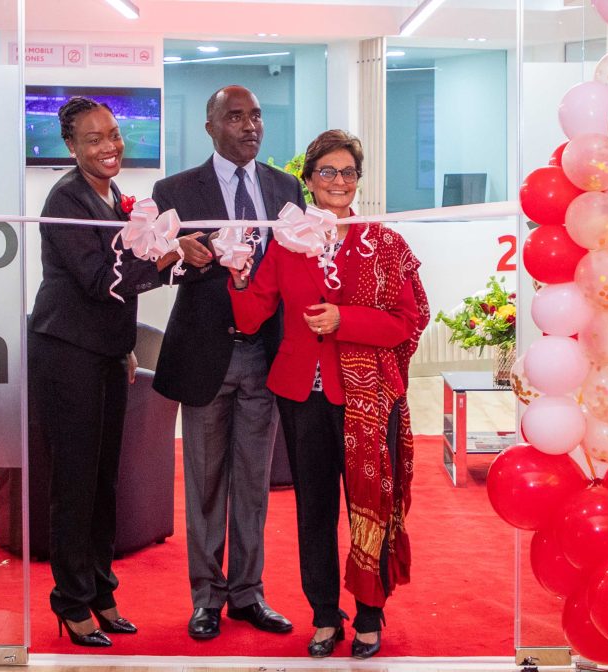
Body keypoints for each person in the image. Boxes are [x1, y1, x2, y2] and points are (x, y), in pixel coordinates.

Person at [226, 130, 430, 659]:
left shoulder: (382, 243)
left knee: (369, 506)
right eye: (327, 173)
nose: (339, 182)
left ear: (357, 181)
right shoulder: (287, 241)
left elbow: (407, 323)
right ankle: (323, 615)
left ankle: (368, 615)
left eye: (348, 173)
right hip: (302, 394)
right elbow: (251, 318)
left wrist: (346, 320)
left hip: (368, 399)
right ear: (309, 180)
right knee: (313, 510)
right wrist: (238, 275)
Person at [28, 96, 187, 647]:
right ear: (71, 147)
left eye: (113, 134)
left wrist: (125, 344)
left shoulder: (116, 196)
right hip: (66, 352)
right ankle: (70, 603)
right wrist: (169, 257)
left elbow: (126, 284)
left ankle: (100, 592)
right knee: (74, 483)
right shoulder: (65, 198)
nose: (109, 146)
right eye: (93, 139)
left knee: (102, 481)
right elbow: (103, 282)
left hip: (104, 352)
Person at [151, 85, 306, 640]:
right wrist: (185, 253)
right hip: (206, 356)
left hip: (265, 355)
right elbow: (161, 263)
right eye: (236, 117)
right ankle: (205, 597)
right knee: (205, 484)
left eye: (256, 116)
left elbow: (298, 266)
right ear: (210, 126)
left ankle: (247, 593)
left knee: (253, 483)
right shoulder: (174, 189)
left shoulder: (286, 187)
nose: (250, 126)